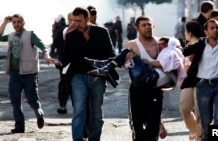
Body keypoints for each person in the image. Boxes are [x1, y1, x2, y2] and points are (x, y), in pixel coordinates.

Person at [54, 6, 116, 141]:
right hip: (78, 77)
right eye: (74, 21)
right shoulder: (71, 36)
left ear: (88, 19)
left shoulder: (102, 32)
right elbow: (65, 57)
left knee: (96, 112)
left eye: (79, 21)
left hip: (98, 77)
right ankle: (77, 138)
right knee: (79, 110)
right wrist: (59, 64)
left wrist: (101, 72)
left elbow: (111, 55)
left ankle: (94, 138)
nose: (76, 24)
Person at [0, 14, 54, 133]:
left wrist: (46, 54)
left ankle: (39, 114)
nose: (16, 24)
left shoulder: (30, 35)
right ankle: (19, 126)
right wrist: (4, 22)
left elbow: (42, 45)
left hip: (29, 73)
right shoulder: (11, 36)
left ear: (24, 23)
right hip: (15, 73)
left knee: (32, 99)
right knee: (15, 100)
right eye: (14, 22)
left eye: (19, 22)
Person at [86, 36, 186, 89]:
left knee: (129, 52)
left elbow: (162, 63)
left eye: (163, 44)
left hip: (151, 76)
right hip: (150, 76)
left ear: (169, 44)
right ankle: (106, 67)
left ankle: (106, 66)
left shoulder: (171, 51)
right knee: (127, 54)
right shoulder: (168, 51)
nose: (160, 46)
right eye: (158, 44)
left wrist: (149, 63)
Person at [179, 20, 203, 141]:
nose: (185, 33)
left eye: (185, 31)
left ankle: (199, 136)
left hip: (200, 81)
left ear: (190, 32)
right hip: (188, 81)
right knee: (184, 108)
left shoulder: (201, 44)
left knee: (199, 112)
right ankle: (194, 131)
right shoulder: (187, 46)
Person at [56, 12, 74, 114]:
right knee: (64, 83)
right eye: (70, 20)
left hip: (79, 64)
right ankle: (62, 105)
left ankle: (77, 106)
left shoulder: (81, 31)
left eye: (74, 20)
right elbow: (58, 44)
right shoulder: (63, 31)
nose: (72, 22)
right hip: (65, 64)